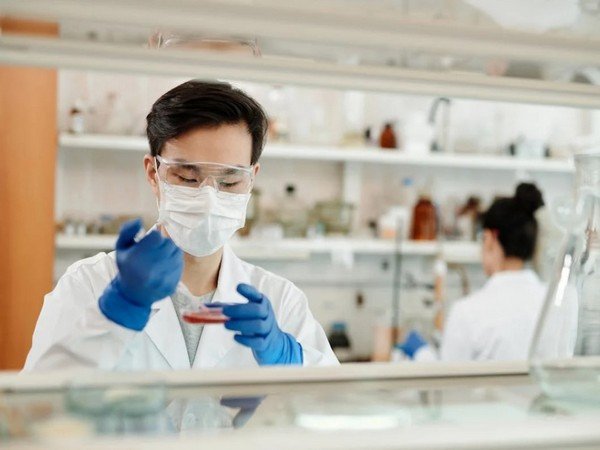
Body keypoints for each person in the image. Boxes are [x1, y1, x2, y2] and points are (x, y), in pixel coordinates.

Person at [25, 80, 338, 371]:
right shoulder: (89, 284)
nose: (209, 199)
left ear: (252, 178)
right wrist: (116, 314)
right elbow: (34, 403)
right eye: (188, 178)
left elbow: (336, 402)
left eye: (229, 181)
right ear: (153, 173)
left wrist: (289, 357)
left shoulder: (281, 301)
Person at [399, 183, 547, 361]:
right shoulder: (561, 304)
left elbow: (449, 375)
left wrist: (421, 353)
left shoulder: (467, 312)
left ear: (490, 239)